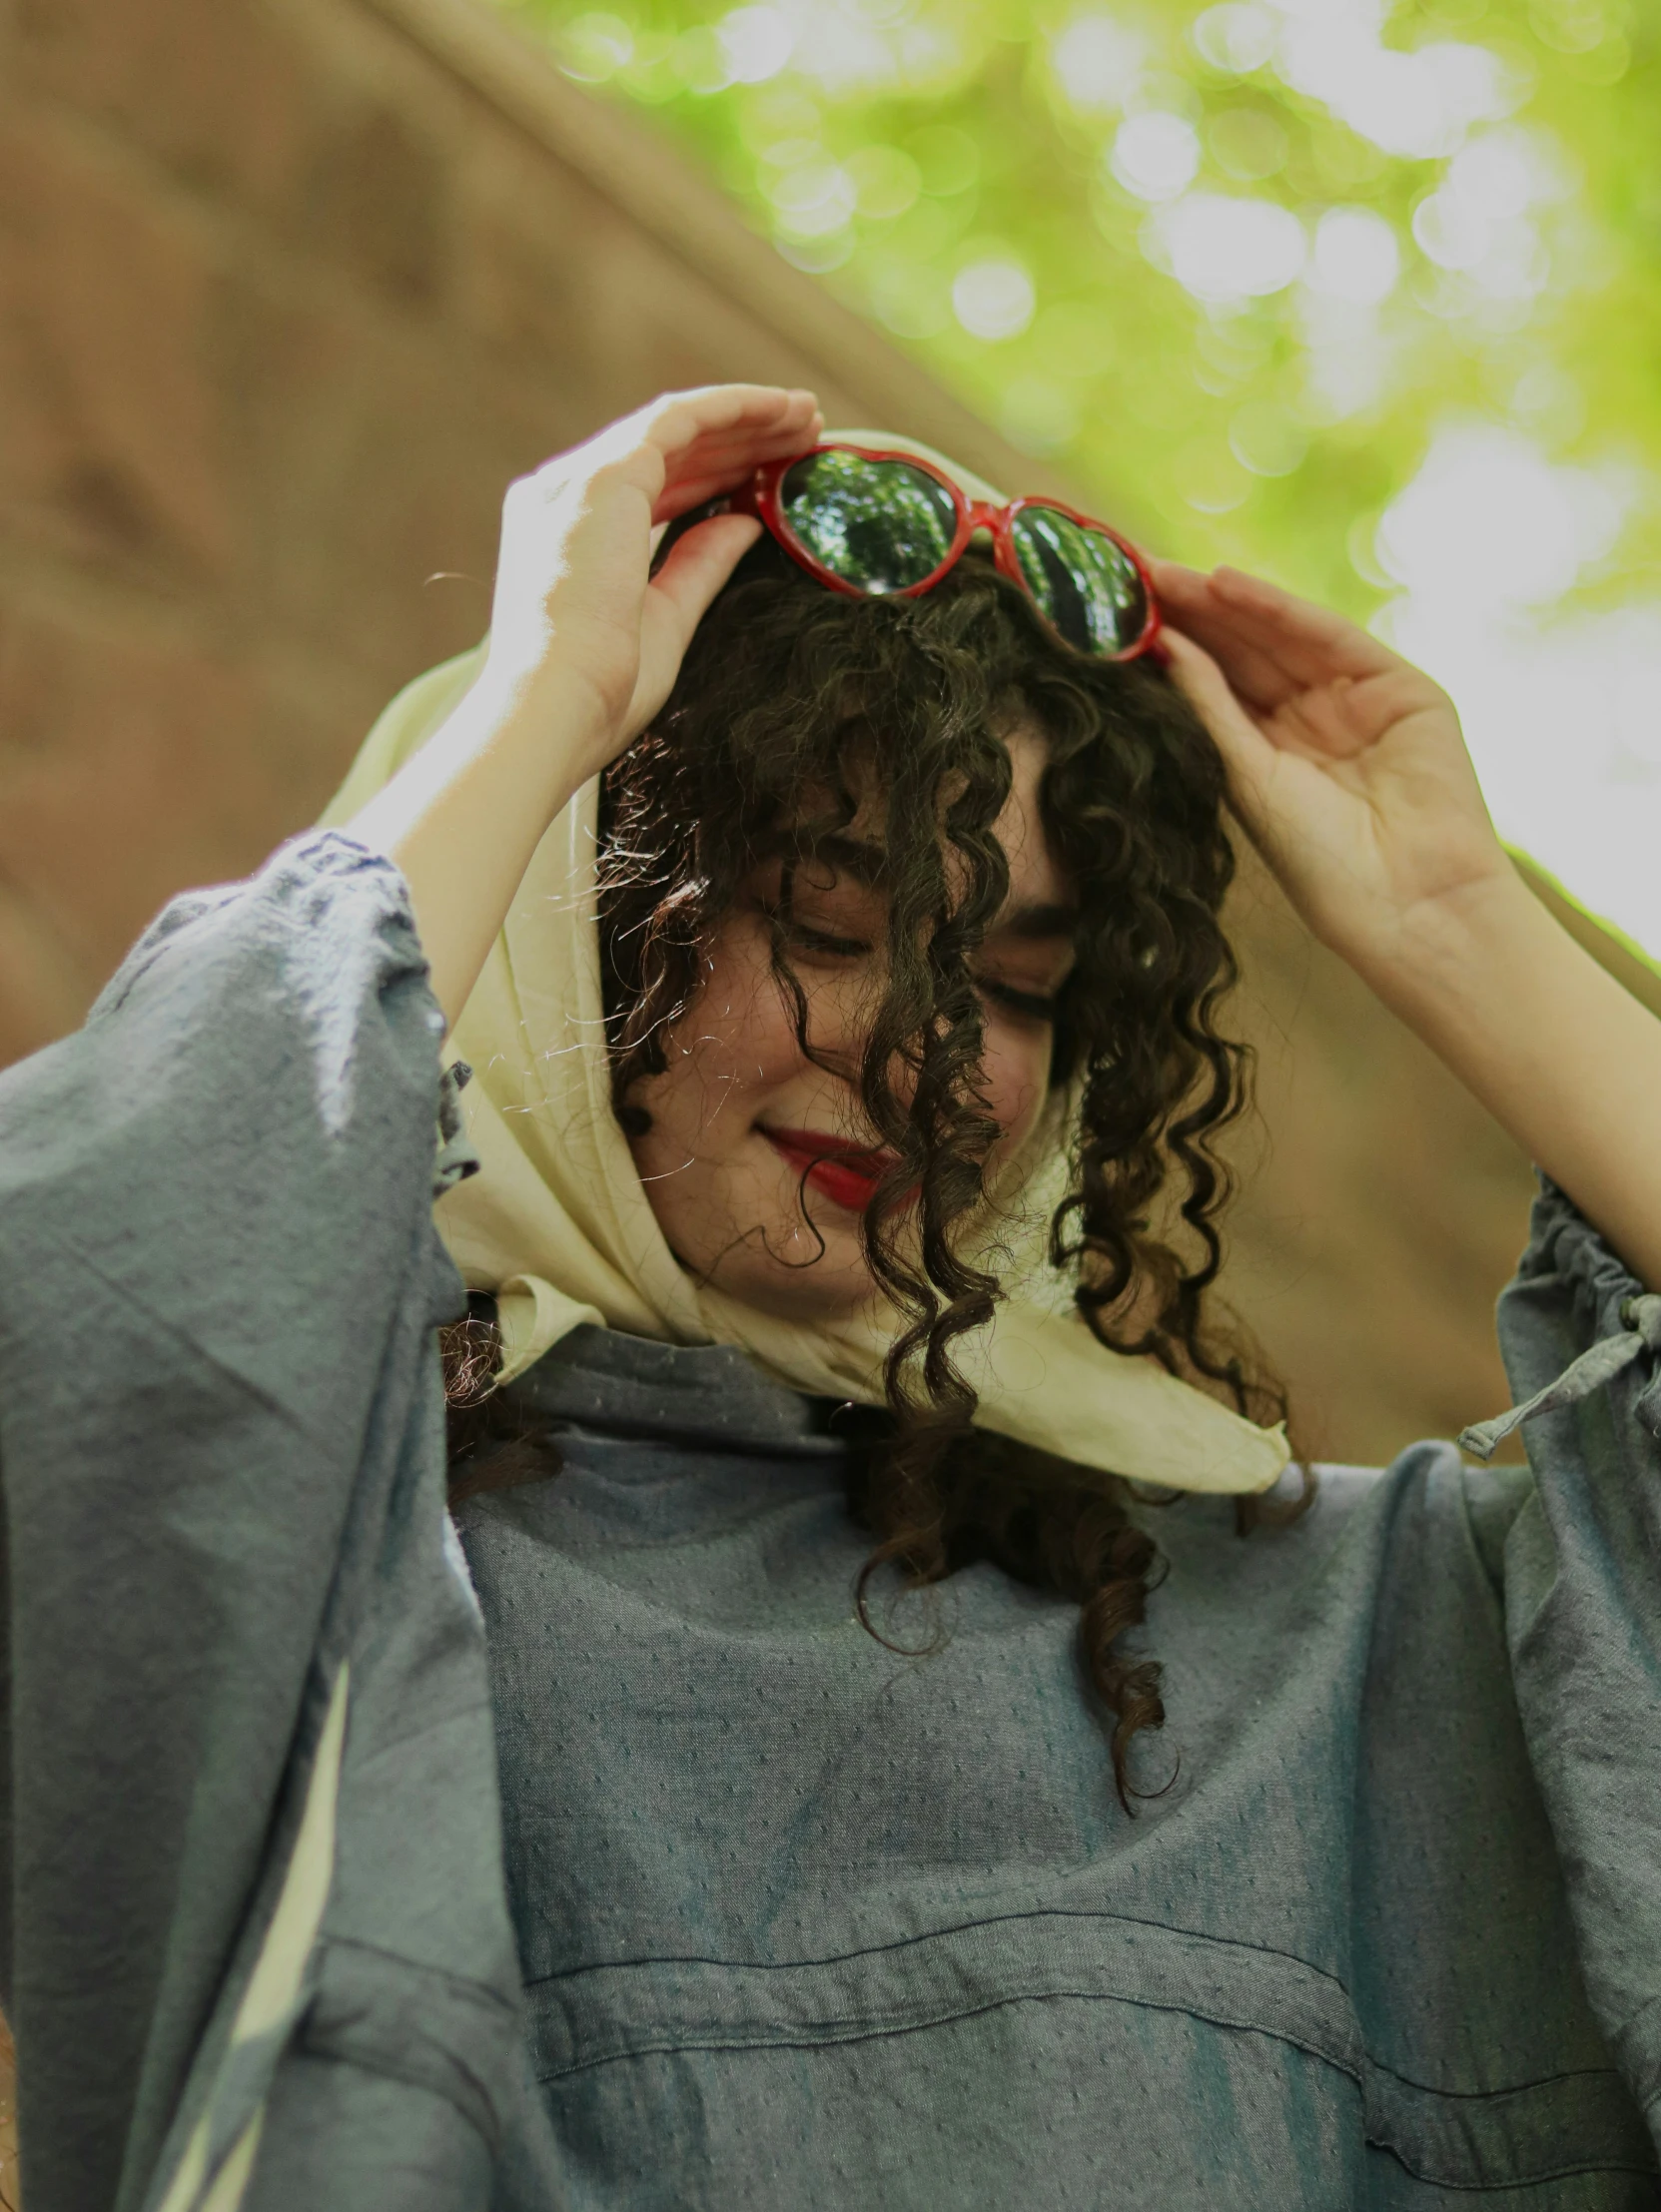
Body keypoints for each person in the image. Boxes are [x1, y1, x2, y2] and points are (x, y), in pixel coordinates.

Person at [3, 381, 1661, 2211]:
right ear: (584, 898)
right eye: (826, 919)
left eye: (1022, 985)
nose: (942, 1064)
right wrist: (530, 713)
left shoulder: (1336, 1653)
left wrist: (1456, 922)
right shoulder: (325, 1558)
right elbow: (93, 1286)